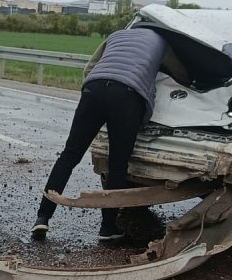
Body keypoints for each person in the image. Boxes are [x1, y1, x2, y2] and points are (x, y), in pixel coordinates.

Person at [32, 27, 168, 242]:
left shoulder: (117, 34)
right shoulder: (162, 41)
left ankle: (42, 218)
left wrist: (90, 97)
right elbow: (176, 76)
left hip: (94, 88)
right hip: (127, 94)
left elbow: (91, 67)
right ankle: (108, 228)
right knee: (117, 164)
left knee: (69, 156)